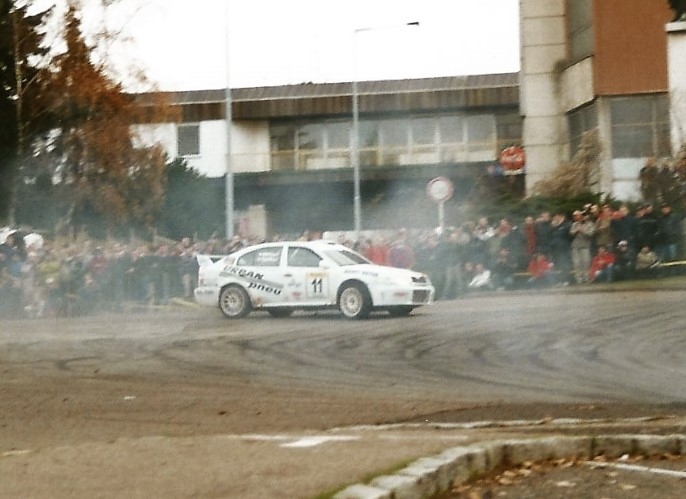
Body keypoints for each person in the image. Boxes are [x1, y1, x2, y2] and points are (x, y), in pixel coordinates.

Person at [570, 209, 595, 284]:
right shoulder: (574, 224)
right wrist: (576, 231)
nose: (576, 217)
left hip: (585, 246)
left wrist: (583, 231)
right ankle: (578, 279)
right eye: (575, 216)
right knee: (577, 263)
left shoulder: (590, 224)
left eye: (577, 215)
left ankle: (586, 278)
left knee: (586, 262)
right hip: (576, 246)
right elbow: (571, 233)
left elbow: (591, 233)